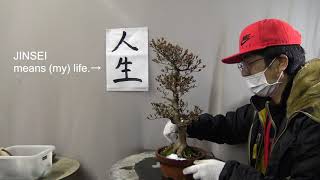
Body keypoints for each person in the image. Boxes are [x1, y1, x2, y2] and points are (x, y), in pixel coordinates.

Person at [163, 18, 320, 180]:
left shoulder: (313, 117)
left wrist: (228, 174)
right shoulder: (266, 103)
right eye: (242, 65)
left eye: (249, 63)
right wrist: (187, 125)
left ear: (281, 63)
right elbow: (230, 126)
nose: (244, 73)